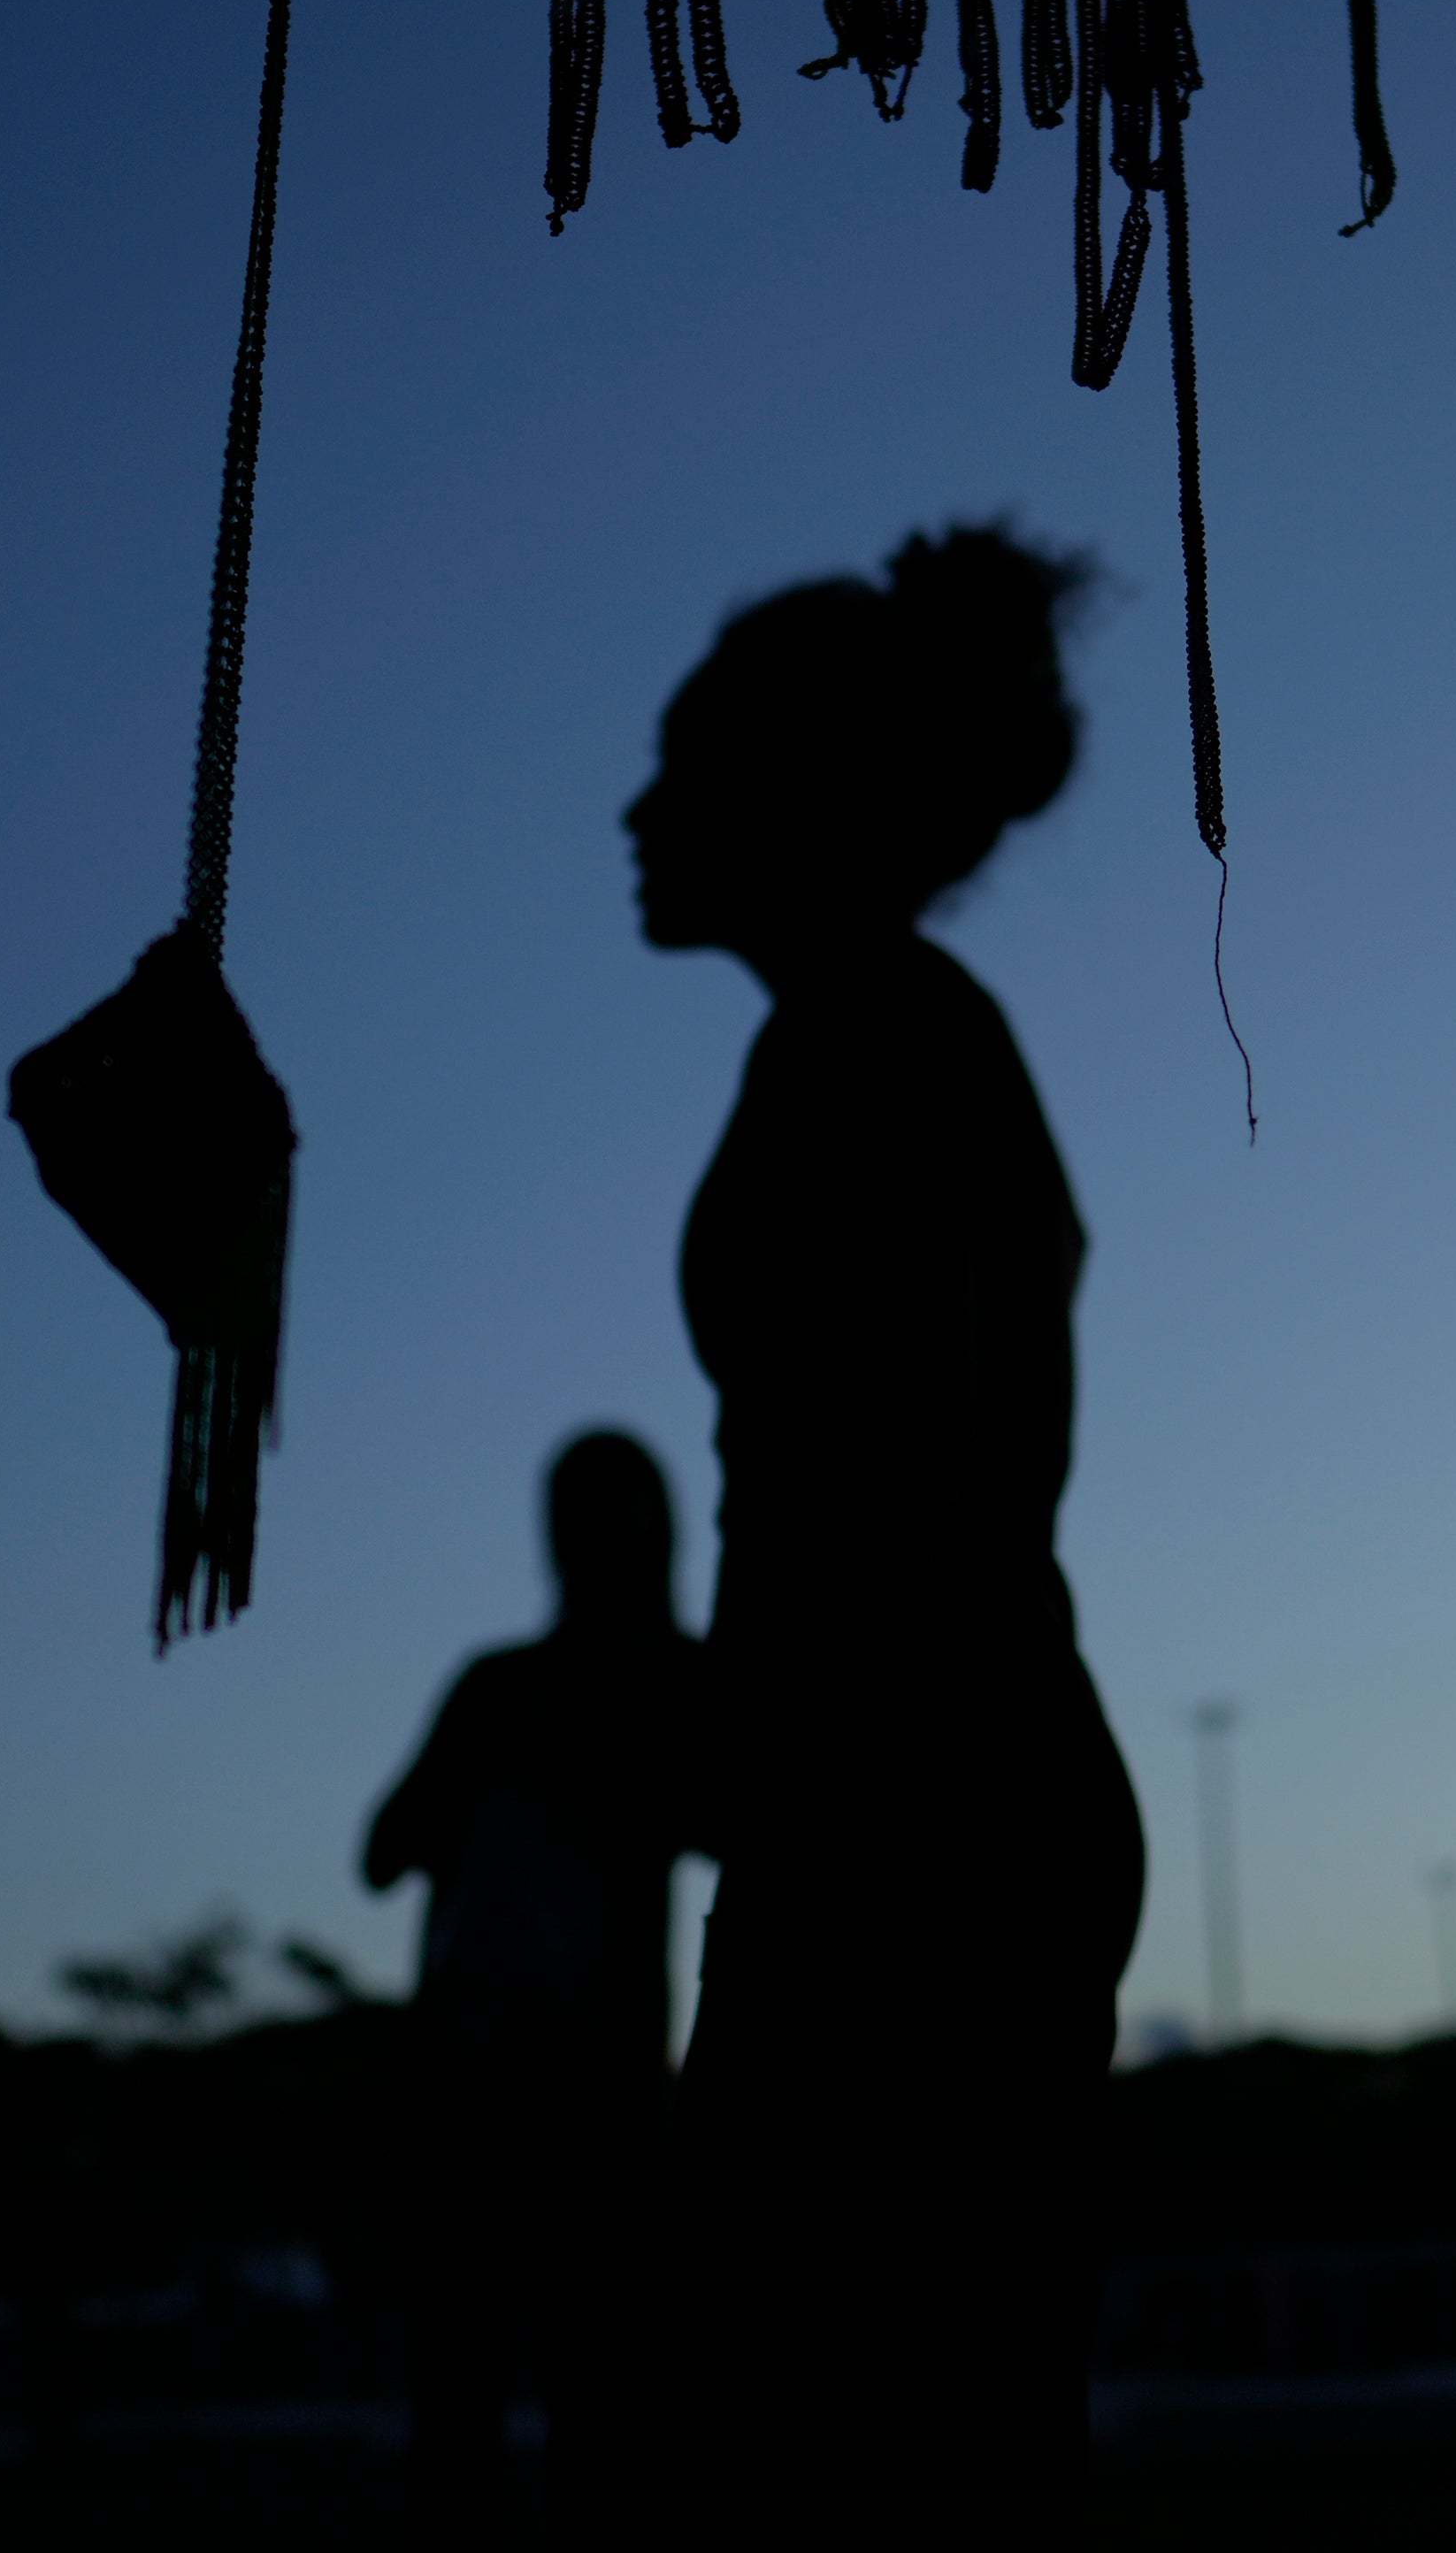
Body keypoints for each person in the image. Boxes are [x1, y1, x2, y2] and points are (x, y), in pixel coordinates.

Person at [626, 522, 1147, 2537]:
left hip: (923, 1807)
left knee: (843, 2444)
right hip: (938, 1787)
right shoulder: (888, 1027)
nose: (638, 806)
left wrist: (784, 1834)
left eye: (683, 763)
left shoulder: (870, 1024)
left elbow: (904, 1461)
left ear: (794, 793)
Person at [362, 1427, 717, 2548]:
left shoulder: (516, 1686)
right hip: (561, 2091)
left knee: (501, 2393)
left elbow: (385, 1847)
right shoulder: (653, 1681)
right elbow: (386, 1847)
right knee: (567, 2395)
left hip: (520, 2085)